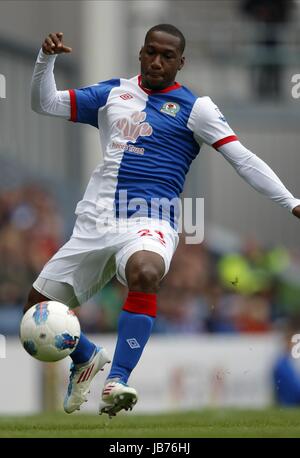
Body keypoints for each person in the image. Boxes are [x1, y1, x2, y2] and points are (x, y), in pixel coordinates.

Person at [25, 24, 300, 417]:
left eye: (166, 56)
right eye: (150, 52)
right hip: (95, 221)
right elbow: (44, 103)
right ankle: (86, 357)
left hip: (150, 222)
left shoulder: (196, 108)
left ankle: (117, 379)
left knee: (146, 270)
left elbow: (244, 159)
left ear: (180, 62)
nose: (156, 61)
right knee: (34, 312)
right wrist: (45, 58)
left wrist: (291, 201)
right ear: (141, 52)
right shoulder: (112, 94)